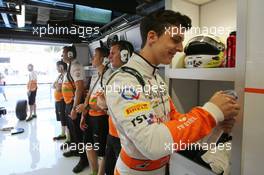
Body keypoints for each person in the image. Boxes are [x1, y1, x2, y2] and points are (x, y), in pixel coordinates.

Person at [105, 10, 240, 175]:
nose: (181, 48)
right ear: (152, 37)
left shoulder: (155, 78)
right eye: (176, 40)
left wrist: (213, 124)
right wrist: (210, 112)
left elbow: (176, 121)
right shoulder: (123, 80)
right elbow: (152, 144)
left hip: (161, 168)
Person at [97, 41, 134, 175]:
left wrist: (103, 103)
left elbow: (123, 107)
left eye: (113, 53)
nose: (109, 57)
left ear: (125, 55)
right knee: (109, 168)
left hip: (123, 137)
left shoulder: (129, 78)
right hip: (112, 132)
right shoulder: (116, 76)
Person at [76, 47, 110, 175]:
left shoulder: (110, 76)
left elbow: (105, 105)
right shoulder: (96, 74)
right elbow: (89, 94)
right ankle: (94, 171)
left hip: (100, 119)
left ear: (103, 59)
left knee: (101, 151)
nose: (92, 58)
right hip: (89, 116)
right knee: (88, 145)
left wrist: (87, 108)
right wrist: (84, 113)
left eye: (94, 56)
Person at [61, 45, 89, 173]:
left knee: (79, 133)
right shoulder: (70, 67)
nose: (62, 56)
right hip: (68, 103)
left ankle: (84, 159)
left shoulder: (76, 67)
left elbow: (79, 88)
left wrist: (73, 108)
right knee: (72, 132)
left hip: (74, 104)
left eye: (64, 53)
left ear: (71, 54)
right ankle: (75, 150)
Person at [53, 61, 70, 141]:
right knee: (61, 119)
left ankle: (68, 137)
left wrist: (57, 86)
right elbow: (54, 85)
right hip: (58, 100)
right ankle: (63, 134)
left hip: (63, 101)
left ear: (61, 67)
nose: (56, 69)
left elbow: (60, 88)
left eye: (57, 67)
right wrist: (57, 86)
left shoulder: (66, 76)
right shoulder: (60, 76)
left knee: (65, 119)